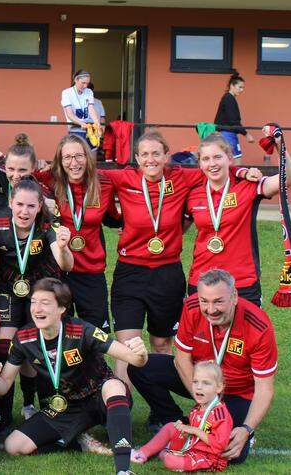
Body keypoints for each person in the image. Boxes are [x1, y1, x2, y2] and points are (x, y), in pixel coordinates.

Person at [98, 132, 255, 376]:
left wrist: (242, 172)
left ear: (166, 156)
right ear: (137, 158)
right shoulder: (123, 178)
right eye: (145, 154)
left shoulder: (182, 177)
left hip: (167, 273)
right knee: (127, 348)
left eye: (156, 154)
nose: (151, 160)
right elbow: (82, 171)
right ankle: (121, 410)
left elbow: (214, 168)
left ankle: (162, 410)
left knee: (162, 345)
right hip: (130, 273)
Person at [0, 278, 149, 474]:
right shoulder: (24, 338)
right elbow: (3, 385)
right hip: (66, 405)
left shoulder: (82, 330)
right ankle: (79, 443)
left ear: (62, 308)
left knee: (114, 386)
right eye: (34, 302)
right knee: (14, 446)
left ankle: (123, 468)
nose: (37, 309)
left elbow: (135, 360)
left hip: (99, 397)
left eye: (45, 303)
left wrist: (141, 353)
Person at [129, 269, 277, 465]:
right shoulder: (191, 308)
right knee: (140, 367)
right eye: (204, 301)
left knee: (232, 453)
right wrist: (202, 398)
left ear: (234, 297)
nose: (210, 309)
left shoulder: (258, 326)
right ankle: (176, 422)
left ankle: (207, 429)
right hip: (199, 379)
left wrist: (247, 429)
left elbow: (264, 388)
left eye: (218, 301)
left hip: (236, 391)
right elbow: (181, 359)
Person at [0, 179, 72, 431]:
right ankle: (1, 412)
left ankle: (34, 405)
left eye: (30, 206)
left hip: (41, 290)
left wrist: (65, 248)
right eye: (20, 204)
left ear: (39, 206)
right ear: (11, 202)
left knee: (38, 345)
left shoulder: (49, 224)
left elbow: (65, 265)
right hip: (7, 289)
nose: (24, 212)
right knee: (4, 342)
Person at [188, 130, 291, 304]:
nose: (212, 164)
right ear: (199, 164)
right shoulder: (193, 194)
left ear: (229, 158)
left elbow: (287, 179)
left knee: (243, 332)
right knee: (202, 332)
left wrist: (280, 147)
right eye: (206, 159)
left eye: (217, 157)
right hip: (201, 280)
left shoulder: (248, 186)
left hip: (242, 281)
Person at [45, 134, 115, 330]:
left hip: (91, 272)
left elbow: (114, 217)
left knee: (95, 337)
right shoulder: (49, 180)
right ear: (59, 161)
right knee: (59, 334)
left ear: (88, 158)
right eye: (67, 157)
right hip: (59, 272)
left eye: (79, 156)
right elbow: (12, 166)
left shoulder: (104, 184)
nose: (73, 163)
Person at [132, 362, 233, 472]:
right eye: (195, 382)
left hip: (209, 457)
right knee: (171, 427)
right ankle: (142, 453)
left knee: (169, 460)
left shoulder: (220, 414)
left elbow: (219, 445)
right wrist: (185, 430)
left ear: (219, 388)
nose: (199, 387)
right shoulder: (197, 408)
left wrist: (194, 430)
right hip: (193, 447)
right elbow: (195, 432)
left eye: (206, 383)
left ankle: (169, 455)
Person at [213, 73, 253, 157]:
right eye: (240, 87)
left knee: (230, 160)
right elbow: (233, 120)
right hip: (227, 133)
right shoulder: (229, 99)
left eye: (243, 88)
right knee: (235, 160)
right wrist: (246, 134)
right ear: (232, 86)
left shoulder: (228, 98)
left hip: (225, 133)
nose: (242, 90)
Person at [62, 70, 101, 143]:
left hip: (89, 128)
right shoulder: (66, 93)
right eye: (83, 83)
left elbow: (91, 108)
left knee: (91, 152)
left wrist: (97, 122)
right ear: (76, 80)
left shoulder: (89, 91)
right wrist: (81, 123)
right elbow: (69, 114)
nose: (85, 86)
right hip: (75, 129)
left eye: (87, 83)